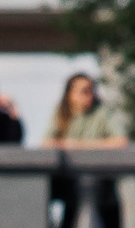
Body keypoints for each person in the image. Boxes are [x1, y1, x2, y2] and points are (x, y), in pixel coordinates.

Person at [47, 72, 130, 228]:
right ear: (70, 94)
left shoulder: (101, 112)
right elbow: (47, 143)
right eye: (83, 91)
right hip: (70, 189)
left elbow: (121, 141)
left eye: (91, 90)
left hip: (104, 190)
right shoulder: (61, 114)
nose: (88, 95)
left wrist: (78, 146)